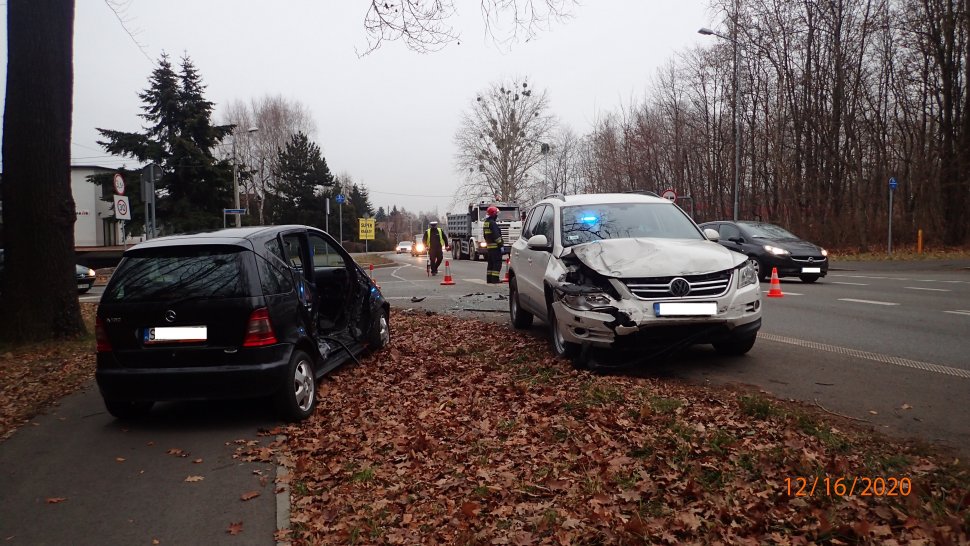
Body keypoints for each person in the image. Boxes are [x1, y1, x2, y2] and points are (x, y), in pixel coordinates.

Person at [483, 205, 504, 283]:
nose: (497, 215)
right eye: (496, 213)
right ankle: (495, 279)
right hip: (496, 248)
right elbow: (496, 236)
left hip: (489, 247)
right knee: (497, 263)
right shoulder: (493, 223)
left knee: (491, 264)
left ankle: (489, 279)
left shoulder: (486, 223)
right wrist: (501, 245)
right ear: (493, 214)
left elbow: (485, 235)